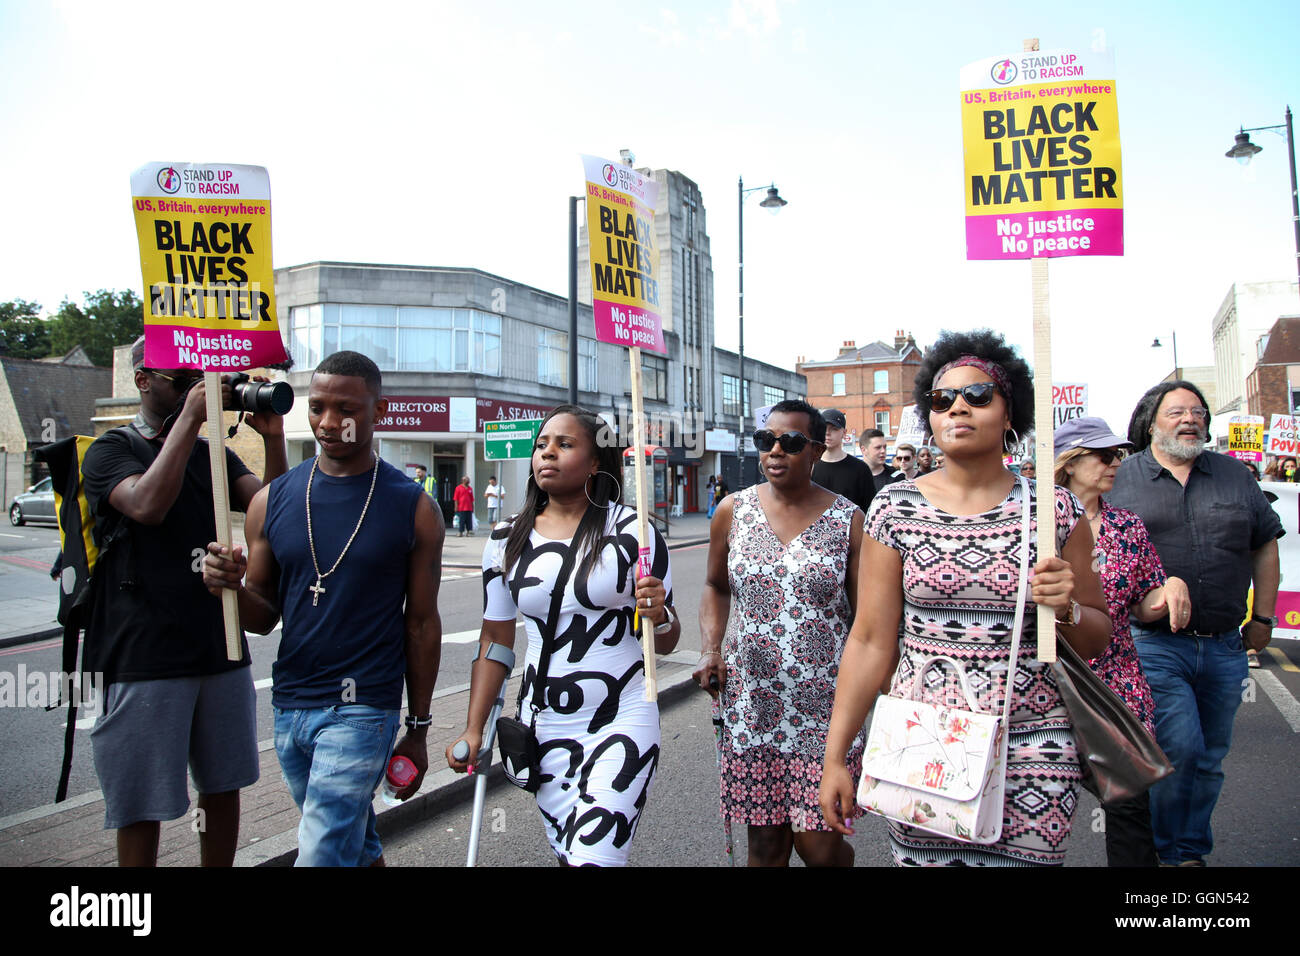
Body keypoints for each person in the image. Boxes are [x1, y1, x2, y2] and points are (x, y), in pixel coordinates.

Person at [820, 329, 1111, 866]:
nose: (958, 407)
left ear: (1009, 413)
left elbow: (1096, 637)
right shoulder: (894, 509)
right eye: (941, 399)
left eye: (977, 395)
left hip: (1032, 748)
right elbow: (869, 641)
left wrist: (1067, 607)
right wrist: (836, 756)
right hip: (923, 746)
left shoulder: (1054, 511)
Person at [203, 351, 444, 867]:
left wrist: (419, 729)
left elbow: (422, 624)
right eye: (317, 407)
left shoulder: (414, 508)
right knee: (352, 841)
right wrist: (227, 587)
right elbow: (262, 617)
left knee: (320, 852)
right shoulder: (271, 500)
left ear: (380, 410)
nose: (329, 423)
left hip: (363, 708)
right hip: (291, 706)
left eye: (346, 409)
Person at [82, 335, 287, 866]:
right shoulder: (111, 450)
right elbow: (147, 504)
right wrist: (192, 417)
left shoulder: (212, 455)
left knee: (222, 786)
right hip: (143, 653)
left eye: (201, 380)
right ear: (142, 381)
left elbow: (276, 513)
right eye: (183, 381)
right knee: (141, 804)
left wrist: (273, 438)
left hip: (218, 646)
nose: (197, 388)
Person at [447, 404, 679, 866]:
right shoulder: (505, 537)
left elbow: (667, 640)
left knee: (594, 857)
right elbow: (495, 640)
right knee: (570, 853)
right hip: (544, 726)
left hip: (622, 717)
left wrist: (660, 615)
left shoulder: (635, 532)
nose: (547, 453)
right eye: (541, 445)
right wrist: (474, 728)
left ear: (595, 462)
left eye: (564, 444)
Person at [1107, 380, 1282, 867]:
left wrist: (1263, 618)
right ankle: (1166, 851)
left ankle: (1188, 850)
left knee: (1209, 758)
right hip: (1153, 644)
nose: (1190, 419)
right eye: (1177, 412)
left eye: (1198, 412)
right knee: (1178, 746)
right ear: (1151, 423)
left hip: (1225, 644)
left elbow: (1265, 544)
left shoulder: (1235, 476)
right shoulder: (1123, 477)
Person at [694, 399, 866, 867]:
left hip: (826, 710)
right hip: (753, 705)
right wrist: (710, 649)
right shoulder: (732, 511)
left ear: (816, 450)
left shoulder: (849, 520)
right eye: (765, 440)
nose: (775, 450)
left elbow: (867, 620)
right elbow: (715, 586)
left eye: (790, 442)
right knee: (766, 848)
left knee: (819, 847)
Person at [1053, 416, 1192, 867]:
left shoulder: (1127, 526)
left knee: (1129, 801)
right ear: (1070, 462)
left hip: (1116, 681)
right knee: (1034, 800)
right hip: (1045, 680)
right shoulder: (1031, 522)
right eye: (1103, 455)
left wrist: (1169, 588)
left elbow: (1143, 602)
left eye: (1117, 455)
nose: (1115, 462)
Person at [810, 407, 875, 512]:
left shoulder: (860, 469)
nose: (827, 433)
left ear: (844, 433)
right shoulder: (809, 467)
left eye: (834, 429)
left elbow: (870, 509)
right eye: (824, 428)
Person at [860, 428, 900, 495]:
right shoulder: (853, 477)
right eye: (878, 447)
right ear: (863, 450)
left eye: (884, 447)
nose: (883, 451)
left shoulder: (896, 477)